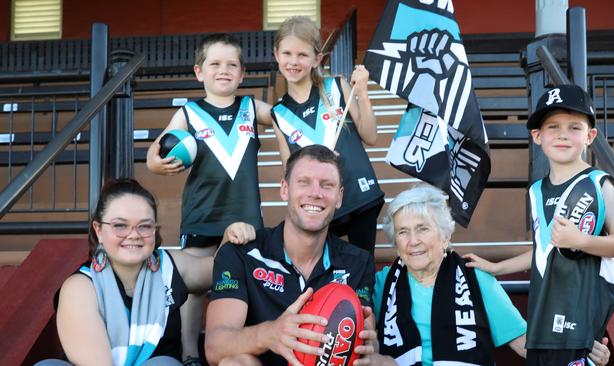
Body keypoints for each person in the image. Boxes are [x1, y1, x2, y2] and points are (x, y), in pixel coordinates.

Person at [464, 84, 614, 366]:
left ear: (590, 136)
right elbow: (543, 250)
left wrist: (581, 241)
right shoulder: (536, 191)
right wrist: (497, 268)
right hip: (542, 327)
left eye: (574, 127)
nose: (563, 134)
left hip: (580, 331)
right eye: (553, 126)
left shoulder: (600, 184)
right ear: (537, 136)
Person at [367, 184, 612, 366]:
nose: (413, 242)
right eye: (403, 232)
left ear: (445, 236)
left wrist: (579, 348)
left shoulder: (475, 278)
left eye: (422, 229)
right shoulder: (383, 283)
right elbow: (370, 342)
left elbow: (524, 344)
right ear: (395, 242)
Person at [145, 33, 273, 365]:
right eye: (215, 63)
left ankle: (241, 346)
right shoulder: (188, 113)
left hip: (244, 217)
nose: (224, 70)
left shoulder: (250, 107)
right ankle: (189, 353)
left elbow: (286, 119)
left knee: (246, 282)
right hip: (202, 215)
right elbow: (155, 152)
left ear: (243, 74)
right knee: (195, 287)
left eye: (232, 64)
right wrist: (154, 161)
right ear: (199, 72)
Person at [204, 145, 376, 366]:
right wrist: (271, 333)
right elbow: (215, 346)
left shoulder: (358, 262)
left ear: (339, 197)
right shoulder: (242, 252)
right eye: (304, 182)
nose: (316, 193)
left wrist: (368, 349)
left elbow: (369, 340)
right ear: (284, 189)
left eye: (327, 185)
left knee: (385, 363)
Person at [41, 178, 213, 366]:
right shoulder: (80, 287)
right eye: (120, 225)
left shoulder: (171, 267)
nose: (133, 234)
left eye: (145, 225)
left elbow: (225, 269)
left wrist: (232, 236)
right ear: (98, 230)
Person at [270, 16, 384, 254]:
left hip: (359, 196)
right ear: (276, 55)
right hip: (319, 203)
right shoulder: (279, 114)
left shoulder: (337, 87)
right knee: (326, 276)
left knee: (363, 271)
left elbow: (371, 136)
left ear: (317, 59)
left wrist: (362, 93)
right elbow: (289, 169)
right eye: (287, 53)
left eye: (302, 55)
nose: (294, 61)